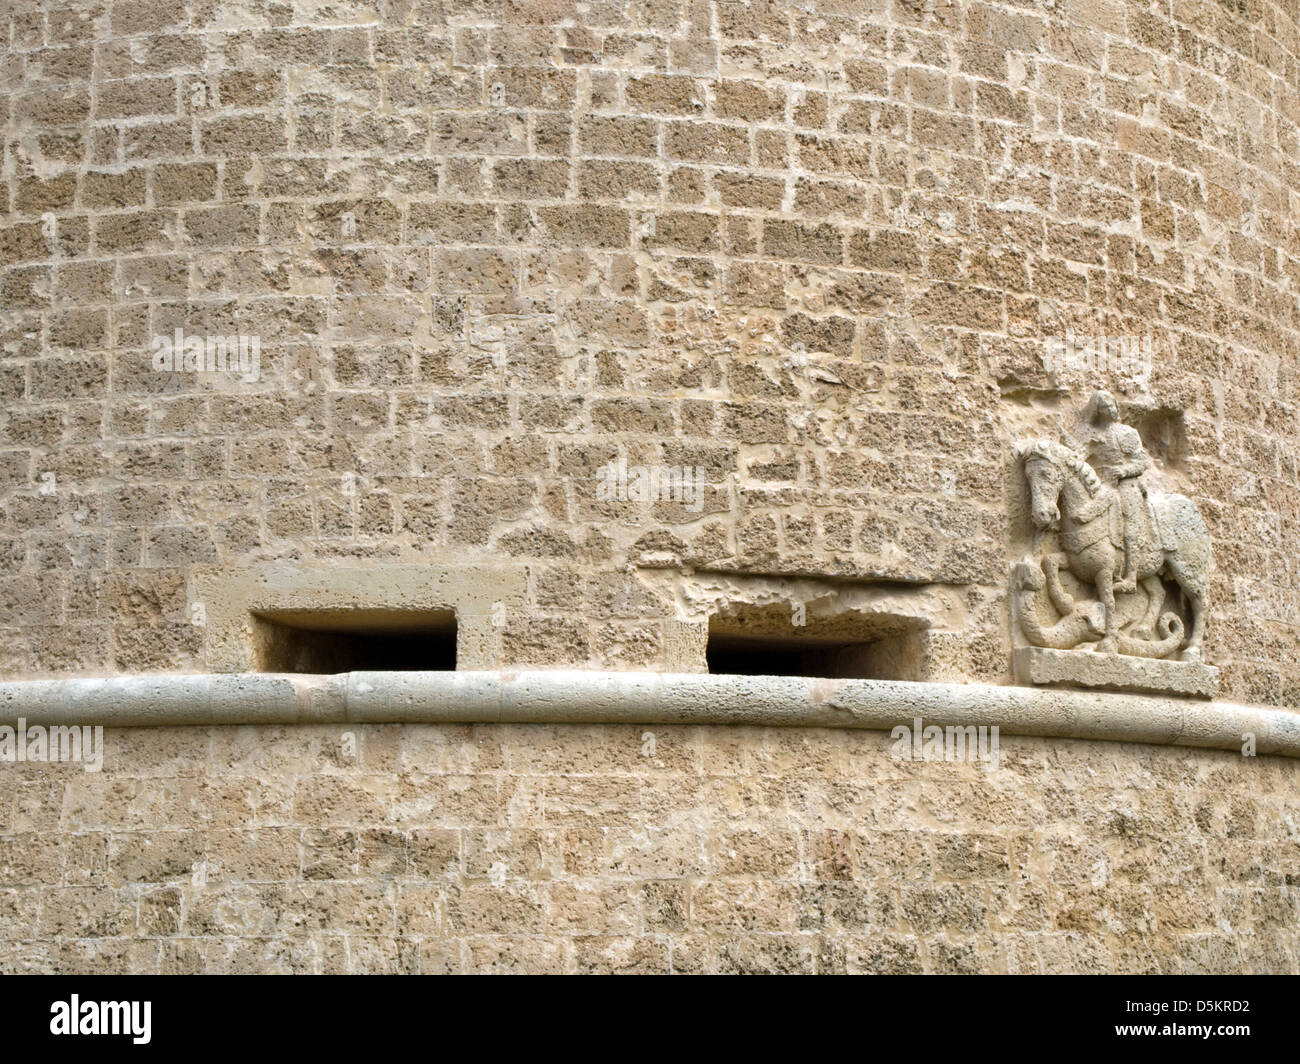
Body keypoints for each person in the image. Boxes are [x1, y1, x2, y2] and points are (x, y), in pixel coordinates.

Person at [1082, 391, 1149, 594]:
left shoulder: (1126, 433)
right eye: (1105, 406)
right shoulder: (1091, 434)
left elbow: (1141, 462)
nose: (1110, 409)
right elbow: (1080, 456)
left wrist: (1124, 471)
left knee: (1130, 523)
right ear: (1097, 411)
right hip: (1100, 485)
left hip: (1125, 485)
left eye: (1112, 404)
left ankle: (1130, 577)